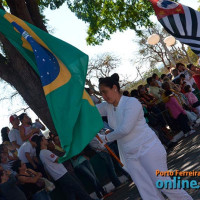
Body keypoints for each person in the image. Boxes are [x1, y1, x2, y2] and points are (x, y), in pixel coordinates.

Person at [96, 73, 192, 200]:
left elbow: (125, 129)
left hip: (148, 148)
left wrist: (106, 138)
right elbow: (87, 109)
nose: (103, 96)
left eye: (105, 92)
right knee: (147, 193)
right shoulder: (107, 106)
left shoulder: (131, 102)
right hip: (130, 155)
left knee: (164, 185)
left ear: (114, 88)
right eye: (101, 93)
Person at [37, 136, 98, 200]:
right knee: (78, 188)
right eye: (44, 139)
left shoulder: (42, 153)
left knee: (70, 192)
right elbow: (57, 160)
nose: (46, 140)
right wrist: (67, 155)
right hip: (61, 174)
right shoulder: (45, 152)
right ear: (41, 142)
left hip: (60, 175)